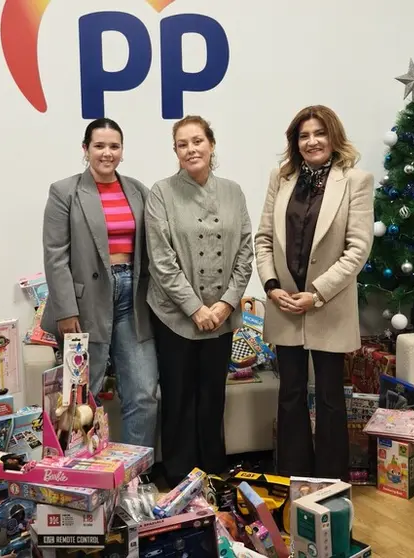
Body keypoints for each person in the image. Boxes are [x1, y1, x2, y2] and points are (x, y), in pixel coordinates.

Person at [254, 105, 373, 479]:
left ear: (333, 136)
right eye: (303, 135)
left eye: (319, 133)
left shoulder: (356, 180)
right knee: (289, 394)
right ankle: (292, 477)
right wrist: (272, 287)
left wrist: (318, 293)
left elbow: (357, 249)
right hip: (284, 303)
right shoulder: (281, 177)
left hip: (328, 305)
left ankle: (330, 482)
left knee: (329, 398)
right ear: (295, 142)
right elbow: (263, 239)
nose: (312, 141)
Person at [145, 115, 254, 484]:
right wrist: (195, 308)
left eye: (197, 141)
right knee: (177, 397)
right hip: (175, 317)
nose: (191, 149)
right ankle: (178, 476)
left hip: (222, 318)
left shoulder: (233, 192)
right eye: (182, 144)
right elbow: (161, 260)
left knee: (212, 397)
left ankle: (214, 472)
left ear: (211, 143)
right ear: (175, 151)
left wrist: (225, 305)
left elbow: (245, 252)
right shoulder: (160, 193)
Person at [41, 118, 159, 449]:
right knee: (79, 398)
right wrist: (65, 309)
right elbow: (55, 256)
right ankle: (76, 473)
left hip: (131, 300)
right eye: (99, 146)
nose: (107, 153)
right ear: (85, 149)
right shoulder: (64, 191)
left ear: (122, 151)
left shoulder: (137, 189)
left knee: (144, 392)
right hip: (85, 304)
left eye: (114, 146)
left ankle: (135, 475)